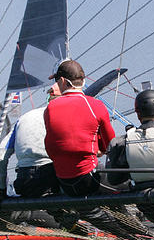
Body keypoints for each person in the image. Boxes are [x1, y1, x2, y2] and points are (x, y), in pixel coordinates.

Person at [43, 59, 115, 197]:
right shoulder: (96, 105)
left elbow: (53, 146)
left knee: (92, 211)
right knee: (130, 186)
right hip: (89, 178)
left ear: (63, 81)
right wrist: (98, 150)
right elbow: (110, 146)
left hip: (63, 182)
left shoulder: (50, 108)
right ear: (83, 80)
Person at [0, 82, 62, 199]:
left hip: (23, 181)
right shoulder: (63, 116)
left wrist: (1, 190)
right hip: (52, 179)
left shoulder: (24, 118)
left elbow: (0, 156)